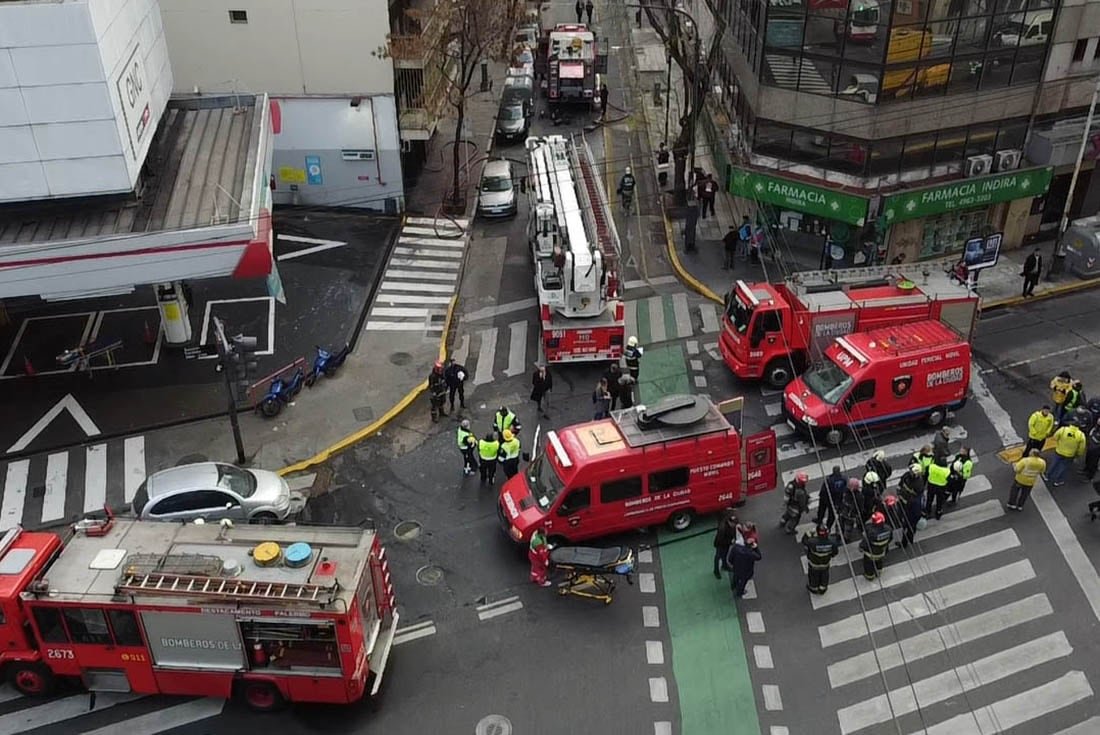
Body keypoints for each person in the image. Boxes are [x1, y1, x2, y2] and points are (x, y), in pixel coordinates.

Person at [802, 525, 840, 594]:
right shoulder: (832, 542)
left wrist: (808, 533)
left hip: (814, 564)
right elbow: (835, 553)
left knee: (813, 576)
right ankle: (823, 588)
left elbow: (804, 541)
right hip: (825, 564)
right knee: (824, 576)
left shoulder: (812, 542)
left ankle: (813, 588)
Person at [1047, 421, 1086, 486]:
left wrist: (1059, 442)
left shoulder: (1063, 430)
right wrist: (1078, 454)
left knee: (1054, 463)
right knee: (1063, 467)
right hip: (1070, 454)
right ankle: (1058, 480)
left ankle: (1047, 476)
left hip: (1059, 451)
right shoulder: (1081, 435)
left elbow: (1055, 437)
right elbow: (1082, 448)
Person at [860, 511, 892, 580]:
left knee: (868, 565)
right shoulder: (888, 528)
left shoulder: (869, 530)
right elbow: (890, 539)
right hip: (882, 551)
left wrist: (861, 547)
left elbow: (865, 542)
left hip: (870, 553)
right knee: (879, 561)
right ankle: (878, 572)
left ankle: (870, 576)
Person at [712, 508, 738, 578]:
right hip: (720, 545)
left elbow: (733, 532)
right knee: (718, 557)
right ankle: (716, 571)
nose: (734, 525)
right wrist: (730, 541)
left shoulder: (732, 526)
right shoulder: (722, 528)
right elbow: (719, 540)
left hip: (726, 544)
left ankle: (724, 565)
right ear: (730, 522)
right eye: (733, 524)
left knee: (725, 555)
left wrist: (734, 538)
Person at [924, 452, 951, 520]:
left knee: (929, 499)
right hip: (941, 488)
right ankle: (938, 513)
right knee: (939, 501)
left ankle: (927, 512)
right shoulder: (947, 471)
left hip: (931, 485)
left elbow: (926, 475)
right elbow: (949, 481)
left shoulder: (931, 467)